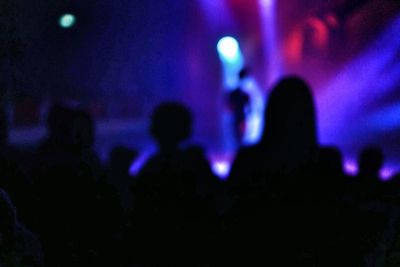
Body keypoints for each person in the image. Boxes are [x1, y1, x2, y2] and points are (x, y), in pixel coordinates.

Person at [227, 69, 251, 144]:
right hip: (240, 117)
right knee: (240, 138)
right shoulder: (239, 93)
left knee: (241, 138)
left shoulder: (241, 92)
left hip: (240, 117)